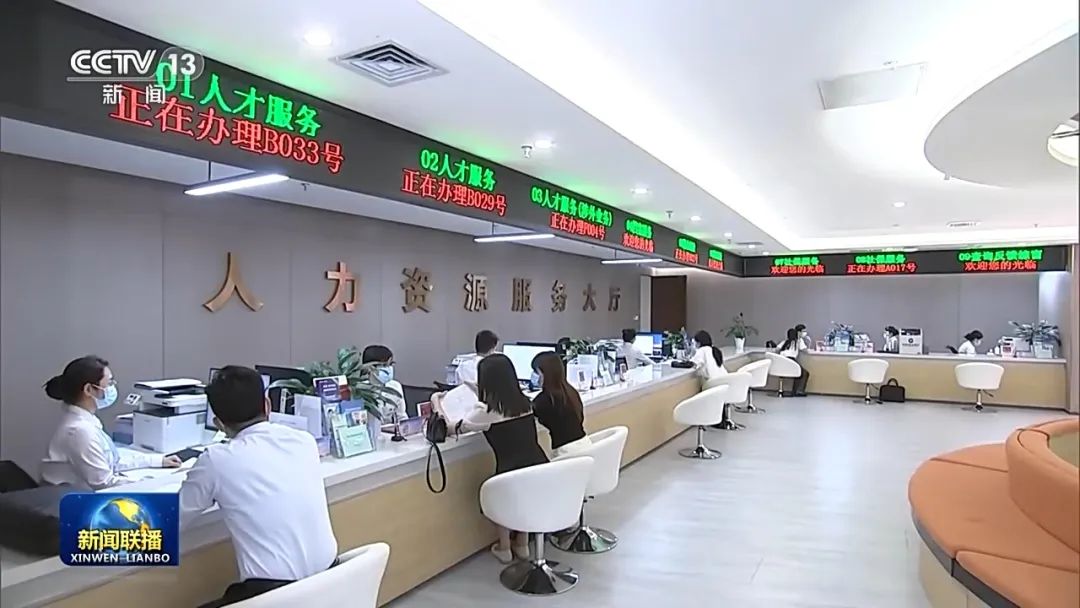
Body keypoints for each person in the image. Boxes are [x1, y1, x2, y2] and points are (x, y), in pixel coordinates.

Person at [181, 366, 338, 608]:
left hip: (275, 597)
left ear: (218, 423)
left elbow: (169, 519)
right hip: (331, 583)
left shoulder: (217, 460)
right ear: (267, 404)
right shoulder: (304, 441)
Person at [434, 354, 547, 564]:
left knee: (499, 501)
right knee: (525, 498)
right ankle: (522, 544)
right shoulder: (525, 403)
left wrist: (437, 403)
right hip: (537, 466)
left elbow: (451, 428)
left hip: (508, 473)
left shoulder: (486, 411)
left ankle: (504, 547)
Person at [41, 356, 181, 489]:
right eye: (109, 383)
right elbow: (104, 483)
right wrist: (156, 483)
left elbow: (111, 462)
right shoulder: (79, 431)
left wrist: (157, 461)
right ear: (89, 389)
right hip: (71, 500)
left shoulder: (86, 422)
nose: (112, 387)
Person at [531, 352, 591, 457]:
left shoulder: (544, 400)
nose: (534, 375)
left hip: (565, 453)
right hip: (585, 444)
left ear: (545, 373)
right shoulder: (571, 392)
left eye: (536, 372)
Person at [361, 344, 406, 421]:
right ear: (370, 367)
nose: (389, 368)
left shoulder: (395, 387)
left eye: (390, 364)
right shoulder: (359, 391)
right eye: (384, 365)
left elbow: (402, 417)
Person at [777, 328, 810, 396]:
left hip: (781, 362)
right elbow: (805, 351)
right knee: (804, 373)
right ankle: (798, 391)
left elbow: (777, 349)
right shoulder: (798, 341)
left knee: (799, 372)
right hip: (791, 360)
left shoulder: (784, 342)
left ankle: (795, 390)